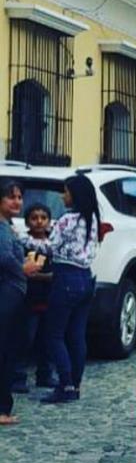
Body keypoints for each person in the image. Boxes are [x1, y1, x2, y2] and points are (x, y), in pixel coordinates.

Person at [41, 174, 101, 405]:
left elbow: (50, 247)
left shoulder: (67, 219)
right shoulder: (92, 218)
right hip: (86, 278)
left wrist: (24, 241)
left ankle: (64, 383)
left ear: (74, 195)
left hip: (66, 277)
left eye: (65, 191)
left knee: (54, 335)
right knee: (76, 335)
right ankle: (75, 384)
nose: (62, 196)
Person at [0, 180, 45, 425]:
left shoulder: (7, 227)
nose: (17, 201)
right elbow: (4, 258)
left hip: (12, 293)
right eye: (11, 197)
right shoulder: (2, 229)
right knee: (5, 350)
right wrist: (24, 268)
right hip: (7, 294)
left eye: (19, 197)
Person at [12, 203, 55, 393]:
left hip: (49, 298)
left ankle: (44, 374)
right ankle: (18, 376)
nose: (39, 222)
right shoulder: (23, 243)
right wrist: (44, 277)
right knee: (25, 338)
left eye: (43, 218)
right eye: (34, 218)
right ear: (28, 221)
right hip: (28, 298)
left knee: (47, 339)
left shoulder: (53, 245)